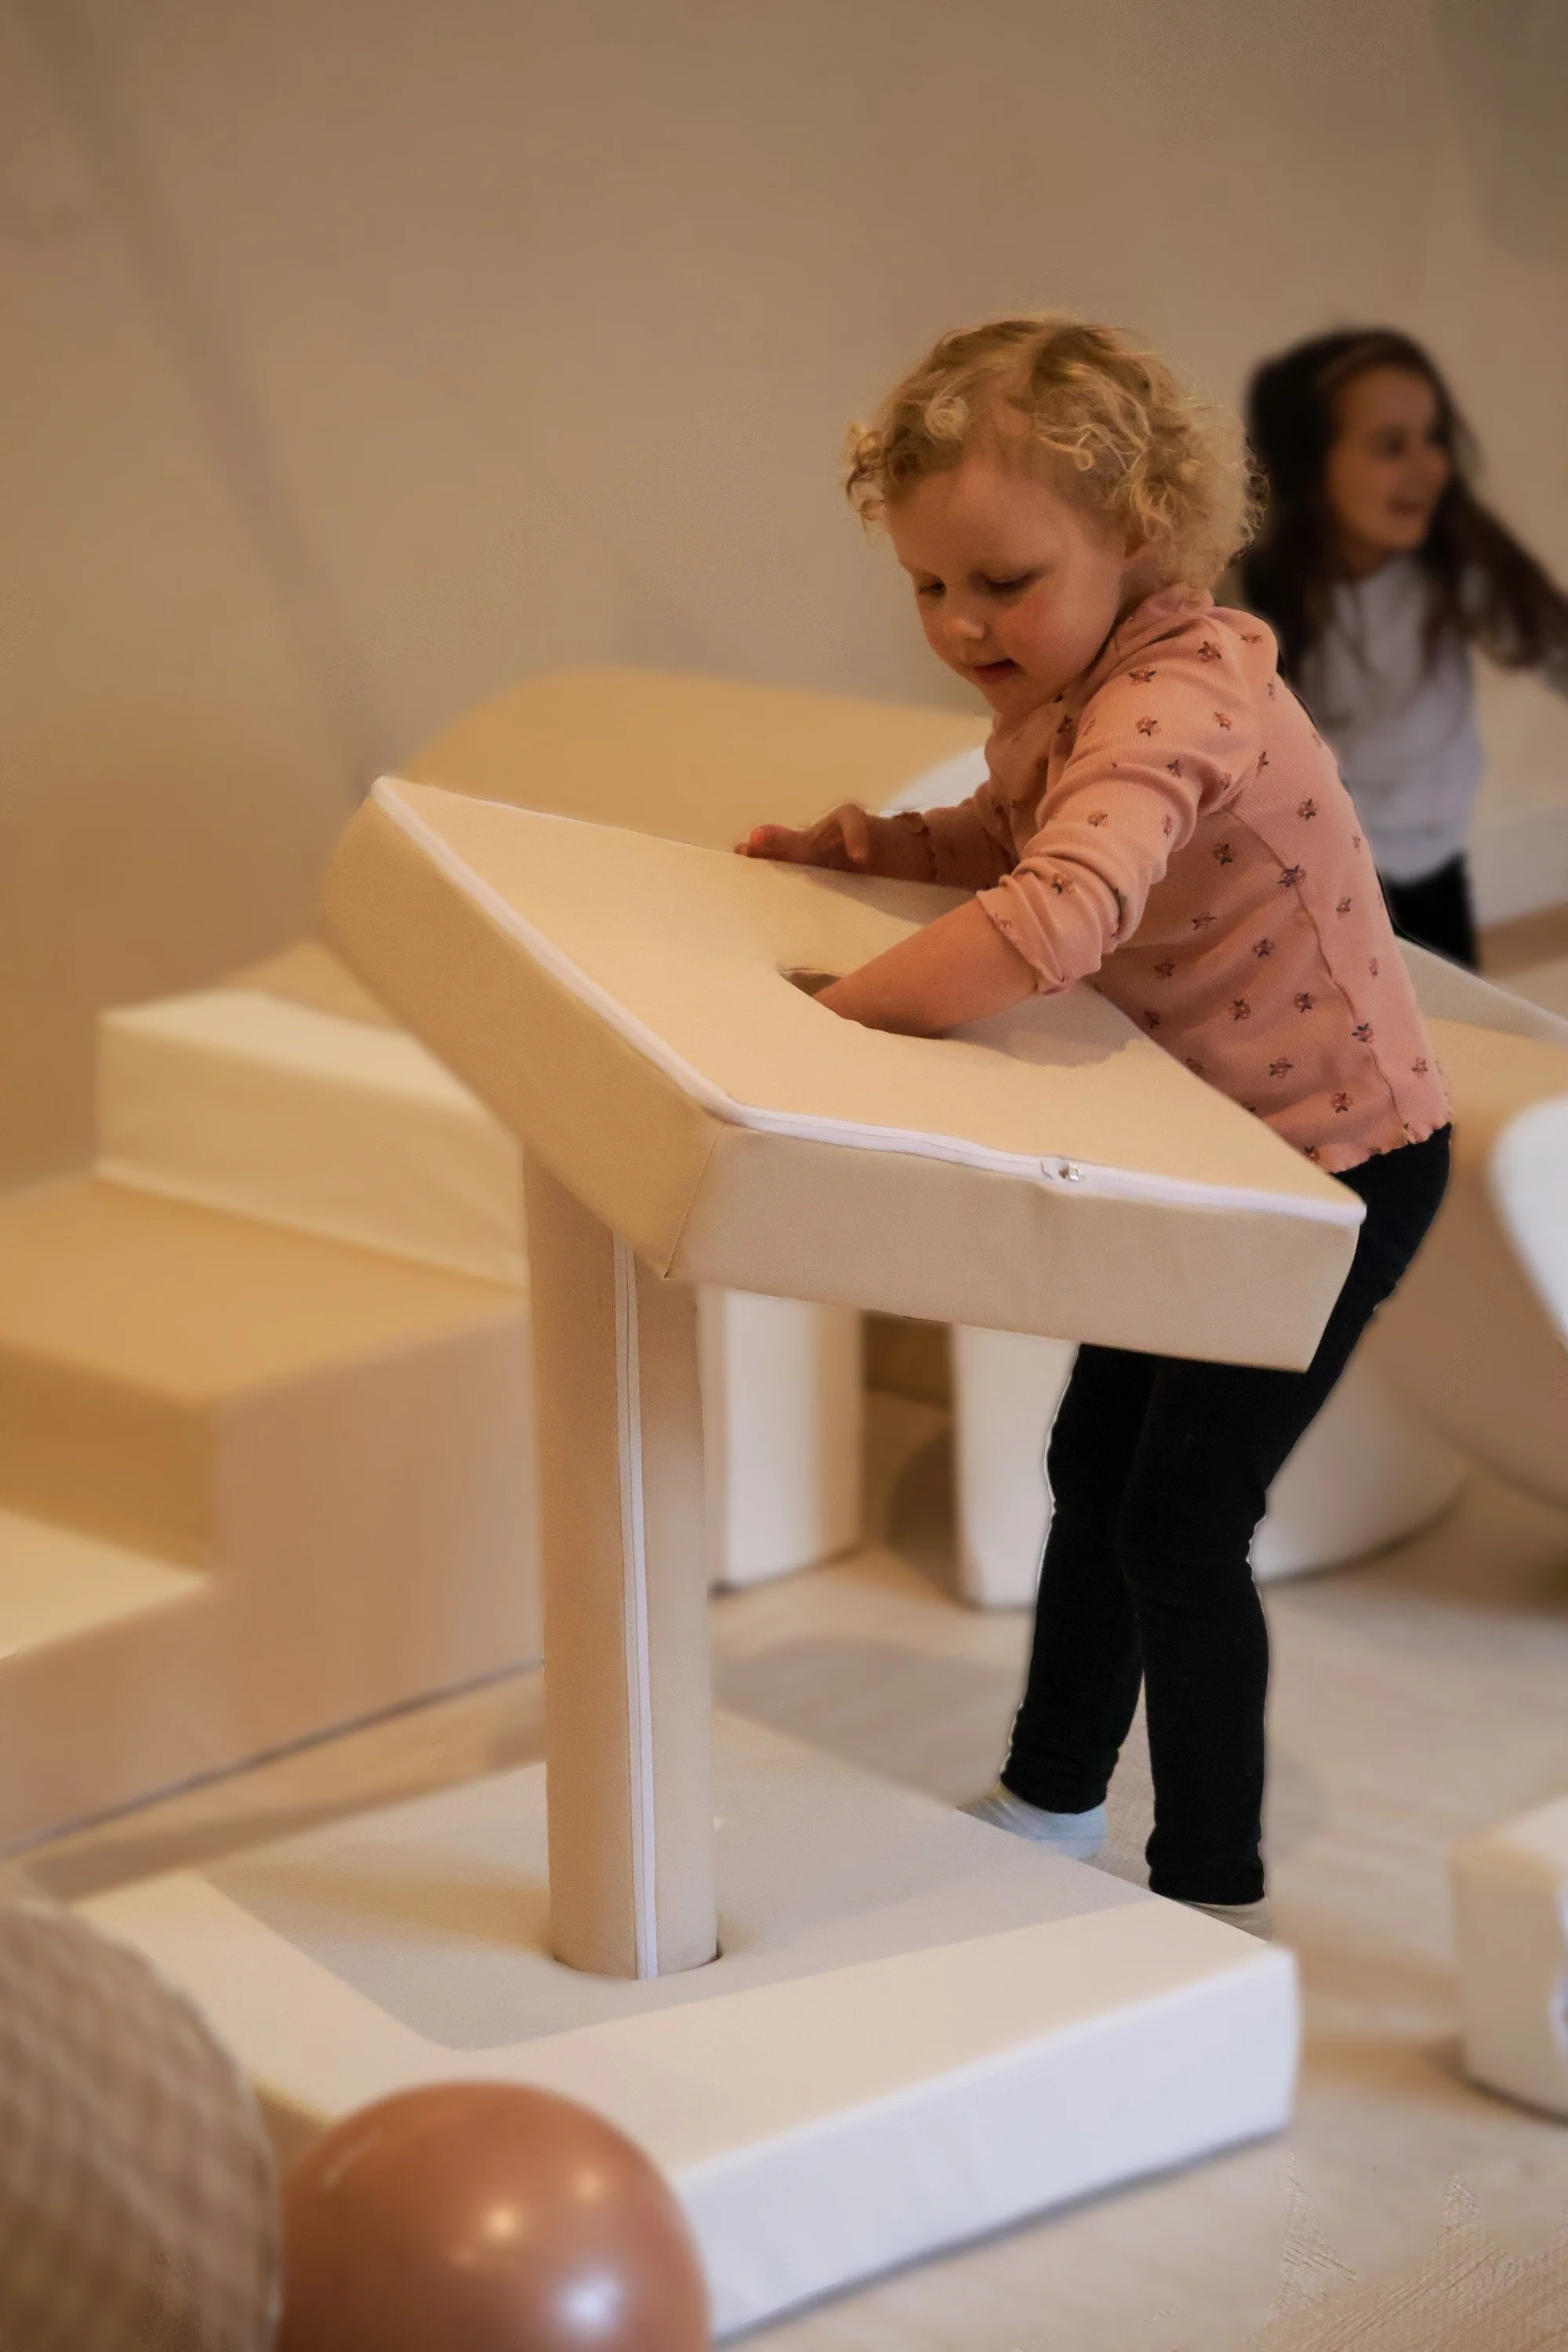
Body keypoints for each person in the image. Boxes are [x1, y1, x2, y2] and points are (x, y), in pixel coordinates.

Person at [737, 315, 1452, 1936]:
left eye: (1000, 581)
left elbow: (1052, 911)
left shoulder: (1176, 699)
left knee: (1182, 1523)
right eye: (927, 585)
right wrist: (844, 850)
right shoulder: (1076, 688)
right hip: (1202, 1149)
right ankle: (1053, 1795)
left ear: (1136, 537)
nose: (960, 622)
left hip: (1337, 1165)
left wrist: (825, 1026)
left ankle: (1206, 1882)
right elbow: (1001, 835)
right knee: (1090, 1469)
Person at [1240, 328, 1568, 970]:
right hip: (1317, 871)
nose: (1428, 468)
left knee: (1446, 1023)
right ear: (1310, 464)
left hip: (1430, 861)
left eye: (1435, 437)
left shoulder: (1453, 566)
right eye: (1391, 446)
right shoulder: (1257, 595)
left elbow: (1551, 644)